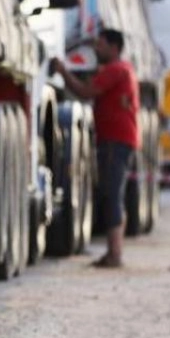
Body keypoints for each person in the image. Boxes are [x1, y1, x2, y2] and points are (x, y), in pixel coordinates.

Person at [51, 28, 140, 268]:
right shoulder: (122, 70)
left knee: (112, 196)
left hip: (115, 141)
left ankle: (115, 253)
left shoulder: (116, 71)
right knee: (113, 195)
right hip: (119, 140)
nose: (96, 50)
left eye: (100, 45)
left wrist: (63, 71)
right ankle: (114, 252)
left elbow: (85, 92)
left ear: (114, 47)